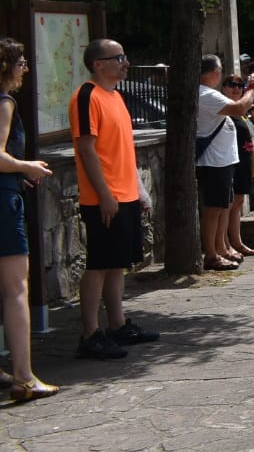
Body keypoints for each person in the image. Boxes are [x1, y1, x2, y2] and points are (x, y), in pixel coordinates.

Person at [70, 38, 160, 359]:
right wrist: (105, 195)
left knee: (116, 264)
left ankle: (117, 325)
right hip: (103, 198)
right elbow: (86, 148)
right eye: (119, 57)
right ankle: (91, 334)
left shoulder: (117, 97)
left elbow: (124, 150)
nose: (126, 63)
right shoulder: (87, 96)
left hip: (125, 195)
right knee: (99, 264)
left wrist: (138, 191)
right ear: (99, 64)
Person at [0, 38, 58, 401]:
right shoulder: (4, 102)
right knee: (16, 290)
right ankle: (24, 375)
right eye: (20, 63)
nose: (24, 69)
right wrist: (26, 166)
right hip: (3, 203)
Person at [198, 53, 254, 269]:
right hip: (213, 162)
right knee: (213, 209)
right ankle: (211, 255)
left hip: (222, 162)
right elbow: (239, 107)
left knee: (223, 207)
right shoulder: (206, 94)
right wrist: (252, 89)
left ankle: (221, 248)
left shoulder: (208, 94)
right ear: (214, 72)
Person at [221, 74, 254, 260]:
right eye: (232, 85)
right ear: (224, 87)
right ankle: (226, 244)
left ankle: (237, 242)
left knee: (238, 202)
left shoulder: (244, 109)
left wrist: (251, 105)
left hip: (245, 158)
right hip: (232, 160)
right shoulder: (227, 107)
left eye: (240, 85)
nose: (236, 88)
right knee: (228, 205)